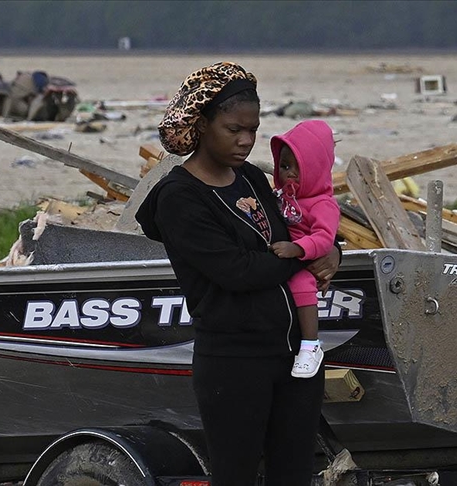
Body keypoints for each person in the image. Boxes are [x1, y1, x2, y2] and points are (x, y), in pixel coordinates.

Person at [135, 62, 340, 485]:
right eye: (233, 129)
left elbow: (292, 232)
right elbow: (238, 272)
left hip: (295, 356)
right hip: (234, 361)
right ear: (202, 124)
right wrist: (306, 256)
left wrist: (331, 249)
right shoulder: (180, 198)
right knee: (237, 475)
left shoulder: (249, 178)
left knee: (295, 474)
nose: (246, 141)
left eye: (253, 129)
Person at [270, 120, 341, 378]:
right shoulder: (283, 197)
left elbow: (324, 238)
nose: (289, 173)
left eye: (298, 168)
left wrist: (297, 249)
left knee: (300, 285)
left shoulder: (323, 204)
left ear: (316, 169)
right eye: (284, 165)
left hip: (303, 260)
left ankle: (310, 345)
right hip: (286, 258)